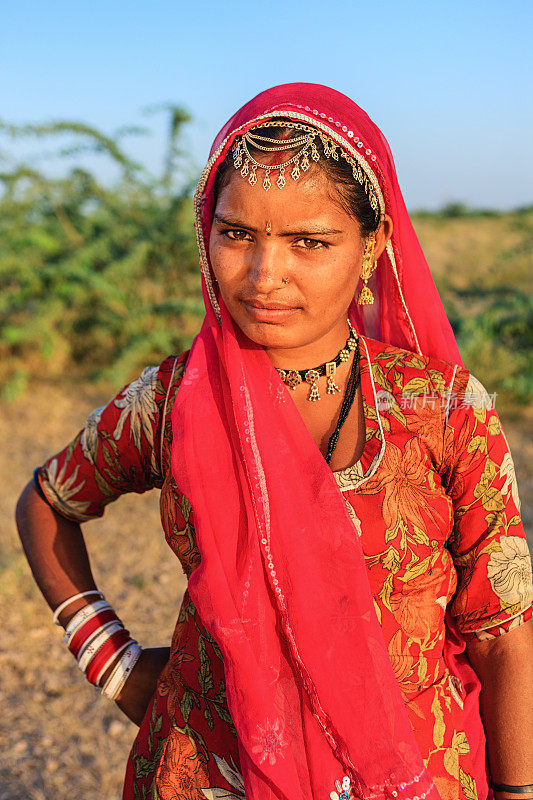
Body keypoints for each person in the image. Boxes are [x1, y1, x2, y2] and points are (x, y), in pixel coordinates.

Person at [15, 83, 533, 800]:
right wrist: (114, 660)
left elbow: (501, 628)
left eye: (309, 242)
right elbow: (46, 502)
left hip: (415, 773)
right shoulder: (170, 402)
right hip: (209, 770)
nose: (264, 276)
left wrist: (514, 789)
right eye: (236, 235)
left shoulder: (441, 408)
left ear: (371, 246)